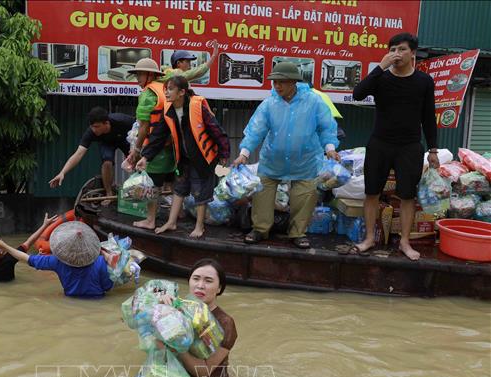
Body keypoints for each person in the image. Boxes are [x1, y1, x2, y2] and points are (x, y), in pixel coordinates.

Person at [233, 62, 339, 249]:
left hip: (305, 161)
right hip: (273, 160)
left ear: (294, 83)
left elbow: (326, 127)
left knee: (305, 196)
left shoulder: (313, 102)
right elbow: (255, 131)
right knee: (262, 193)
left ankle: (298, 233)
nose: (277, 86)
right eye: (275, 82)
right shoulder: (269, 104)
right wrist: (244, 154)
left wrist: (330, 148)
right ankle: (260, 229)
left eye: (282, 82)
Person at [352, 33, 438, 260]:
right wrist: (380, 67)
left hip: (410, 146)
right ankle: (369, 238)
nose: (396, 54)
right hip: (380, 143)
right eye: (392, 50)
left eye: (401, 49)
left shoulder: (424, 82)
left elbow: (429, 117)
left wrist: (433, 150)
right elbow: (357, 94)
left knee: (408, 196)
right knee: (372, 192)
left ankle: (405, 242)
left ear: (412, 53)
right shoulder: (381, 77)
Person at [138, 75, 230, 238]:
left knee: (200, 191)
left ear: (182, 92)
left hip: (203, 158)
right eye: (166, 89)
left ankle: (199, 226)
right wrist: (145, 157)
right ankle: (171, 222)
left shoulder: (196, 106)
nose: (166, 93)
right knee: (179, 188)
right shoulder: (169, 110)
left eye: (170, 89)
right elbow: (157, 136)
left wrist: (224, 153)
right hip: (184, 158)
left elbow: (216, 130)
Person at [159, 258, 237, 377]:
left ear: (219, 288)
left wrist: (179, 345)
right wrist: (159, 313)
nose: (200, 285)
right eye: (196, 279)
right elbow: (158, 348)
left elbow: (204, 372)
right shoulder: (177, 309)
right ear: (189, 281)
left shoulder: (225, 323)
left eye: (208, 281)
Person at [0, 222, 114, 298]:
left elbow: (26, 258)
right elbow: (107, 287)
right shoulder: (101, 262)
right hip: (98, 300)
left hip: (70, 301)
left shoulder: (57, 262)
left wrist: (4, 246)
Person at [125, 58, 176, 230]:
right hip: (170, 145)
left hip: (155, 147)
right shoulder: (164, 89)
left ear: (150, 75)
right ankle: (175, 218)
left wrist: (137, 149)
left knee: (153, 185)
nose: (137, 78)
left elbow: (144, 125)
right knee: (173, 183)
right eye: (137, 74)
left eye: (140, 74)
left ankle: (150, 220)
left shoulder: (147, 94)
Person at [49, 107, 134, 204]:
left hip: (126, 139)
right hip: (107, 143)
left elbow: (141, 127)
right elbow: (78, 154)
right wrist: (62, 172)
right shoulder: (90, 133)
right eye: (92, 126)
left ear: (106, 123)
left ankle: (140, 190)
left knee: (136, 160)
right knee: (107, 162)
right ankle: (109, 194)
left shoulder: (121, 120)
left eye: (97, 126)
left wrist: (135, 148)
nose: (94, 130)